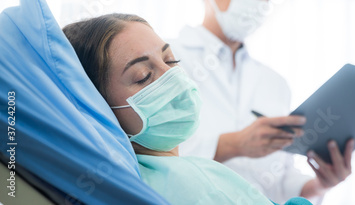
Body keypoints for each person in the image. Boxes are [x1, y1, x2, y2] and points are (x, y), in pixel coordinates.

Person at [170, 0, 354, 204]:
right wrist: (233, 144)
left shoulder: (274, 83)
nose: (261, 3)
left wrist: (320, 184)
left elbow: (279, 182)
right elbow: (146, 153)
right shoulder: (165, 60)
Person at [63, 13, 315, 205]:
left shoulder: (129, 181)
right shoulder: (195, 182)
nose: (171, 77)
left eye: (171, 60)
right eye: (142, 76)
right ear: (98, 105)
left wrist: (318, 185)